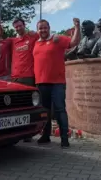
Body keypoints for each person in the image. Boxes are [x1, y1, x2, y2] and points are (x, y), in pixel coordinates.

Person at [33, 18, 80, 148]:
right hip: (41, 82)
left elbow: (74, 42)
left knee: (60, 110)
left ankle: (64, 139)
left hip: (57, 83)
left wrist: (77, 27)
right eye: (40, 28)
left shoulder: (57, 39)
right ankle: (46, 135)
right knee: (45, 111)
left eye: (45, 27)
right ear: (37, 30)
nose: (43, 30)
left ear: (49, 28)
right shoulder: (35, 43)